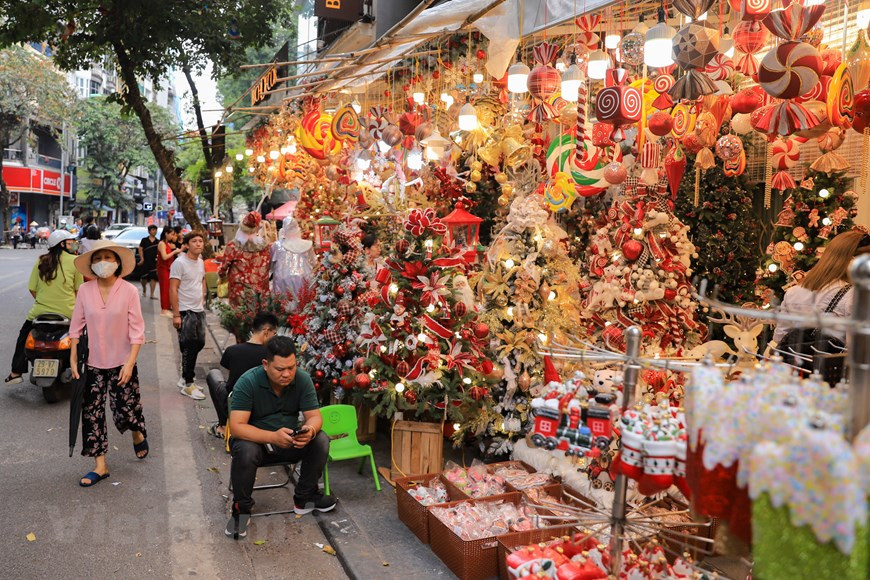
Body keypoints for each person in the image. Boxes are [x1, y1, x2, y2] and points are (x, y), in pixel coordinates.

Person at [227, 336, 333, 539]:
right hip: (256, 443)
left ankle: (305, 497)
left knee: (320, 438)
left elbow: (315, 417)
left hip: (288, 441)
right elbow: (237, 427)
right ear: (265, 365)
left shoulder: (301, 379)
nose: (287, 374)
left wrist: (309, 430)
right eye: (280, 369)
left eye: (291, 368)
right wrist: (271, 437)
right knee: (245, 450)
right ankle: (242, 509)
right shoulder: (248, 382)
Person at [68, 240, 147, 487]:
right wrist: (73, 357)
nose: (103, 262)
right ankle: (100, 465)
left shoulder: (129, 291)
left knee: (125, 410)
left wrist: (130, 363)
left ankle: (137, 432)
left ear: (118, 263)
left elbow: (137, 331)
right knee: (92, 413)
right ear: (92, 264)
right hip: (93, 364)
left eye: (109, 257)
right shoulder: (85, 291)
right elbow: (76, 326)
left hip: (122, 362)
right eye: (98, 257)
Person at [773, 230, 870, 383]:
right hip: (832, 381)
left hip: (794, 378)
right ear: (853, 262)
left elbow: (780, 337)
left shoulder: (793, 291)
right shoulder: (854, 294)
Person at [6, 230, 82, 384]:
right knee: (84, 337)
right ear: (62, 244)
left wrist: (45, 302)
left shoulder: (41, 261)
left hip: (39, 313)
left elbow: (32, 289)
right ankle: (81, 368)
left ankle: (15, 372)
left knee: (23, 337)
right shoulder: (75, 261)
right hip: (68, 313)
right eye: (69, 242)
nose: (73, 244)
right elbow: (78, 291)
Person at [206, 311, 278, 440]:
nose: (274, 337)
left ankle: (223, 426)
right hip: (262, 408)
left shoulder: (232, 351)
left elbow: (230, 378)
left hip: (234, 406)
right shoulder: (271, 356)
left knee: (214, 375)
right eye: (274, 333)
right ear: (266, 331)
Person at [170, 230, 207, 400]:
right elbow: (173, 288)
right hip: (185, 310)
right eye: (195, 241)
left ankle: (184, 377)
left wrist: (203, 296)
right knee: (189, 346)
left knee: (199, 343)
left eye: (201, 241)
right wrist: (176, 314)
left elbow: (202, 280)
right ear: (187, 244)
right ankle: (188, 383)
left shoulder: (200, 262)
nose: (199, 244)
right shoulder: (179, 263)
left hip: (198, 309)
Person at [218, 211, 275, 308]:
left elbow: (223, 269)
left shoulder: (233, 246)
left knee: (240, 316)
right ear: (256, 229)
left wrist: (222, 277)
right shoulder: (266, 247)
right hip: (260, 290)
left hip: (239, 291)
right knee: (260, 317)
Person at [271, 216, 314, 297]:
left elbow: (271, 264)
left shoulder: (277, 245)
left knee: (284, 302)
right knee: (303, 301)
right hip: (304, 276)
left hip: (282, 277)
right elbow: (313, 262)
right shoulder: (307, 244)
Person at [157, 227, 183, 317]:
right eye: (171, 234)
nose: (172, 236)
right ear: (166, 234)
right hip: (163, 268)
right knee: (164, 288)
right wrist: (174, 252)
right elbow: (164, 257)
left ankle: (167, 307)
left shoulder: (167, 243)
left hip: (168, 268)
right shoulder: (161, 244)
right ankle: (164, 309)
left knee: (168, 288)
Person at [137, 225, 160, 299]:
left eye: (155, 230)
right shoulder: (144, 240)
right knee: (144, 277)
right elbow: (140, 249)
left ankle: (152, 294)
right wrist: (142, 259)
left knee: (153, 277)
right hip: (145, 261)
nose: (154, 231)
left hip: (154, 262)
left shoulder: (158, 241)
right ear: (149, 231)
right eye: (153, 230)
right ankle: (144, 290)